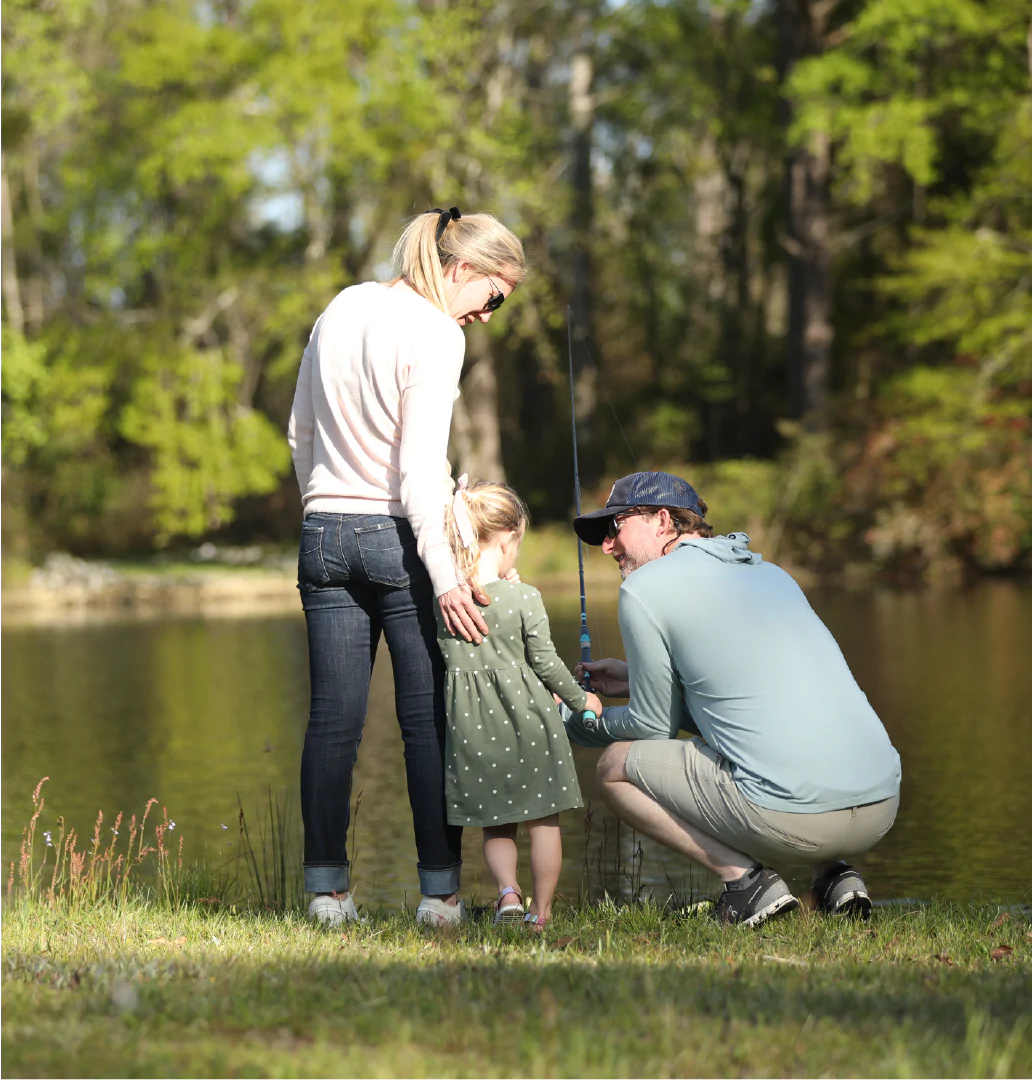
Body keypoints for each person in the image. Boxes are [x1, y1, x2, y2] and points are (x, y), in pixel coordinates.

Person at [287, 207, 526, 927]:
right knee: (427, 724)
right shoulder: (435, 332)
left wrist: (318, 506)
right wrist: (448, 576)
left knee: (333, 723)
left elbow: (299, 428)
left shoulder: (343, 305)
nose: (490, 314)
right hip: (396, 538)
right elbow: (420, 470)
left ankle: (327, 897)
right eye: (495, 296)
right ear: (463, 271)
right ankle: (441, 899)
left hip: (322, 532)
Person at [566, 471, 902, 927]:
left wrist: (579, 718)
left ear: (661, 520)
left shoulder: (644, 588)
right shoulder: (769, 572)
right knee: (768, 728)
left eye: (615, 527)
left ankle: (747, 885)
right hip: (881, 806)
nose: (607, 545)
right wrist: (636, 678)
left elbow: (651, 730)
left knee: (613, 767)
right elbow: (748, 699)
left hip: (800, 822)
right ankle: (835, 878)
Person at [436, 478, 603, 929]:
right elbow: (545, 663)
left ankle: (507, 895)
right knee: (543, 823)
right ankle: (541, 912)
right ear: (508, 539)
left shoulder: (446, 602)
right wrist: (580, 696)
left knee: (497, 824)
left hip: (472, 728)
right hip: (529, 723)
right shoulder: (525, 597)